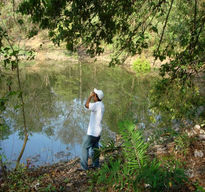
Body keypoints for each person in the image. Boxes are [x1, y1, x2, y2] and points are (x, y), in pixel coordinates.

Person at [80, 88, 105, 170]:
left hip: (92, 133)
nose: (93, 96)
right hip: (98, 132)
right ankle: (96, 165)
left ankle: (84, 167)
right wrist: (93, 96)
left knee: (84, 147)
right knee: (95, 148)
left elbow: (86, 105)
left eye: (95, 95)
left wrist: (89, 97)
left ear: (97, 97)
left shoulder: (97, 105)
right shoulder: (101, 105)